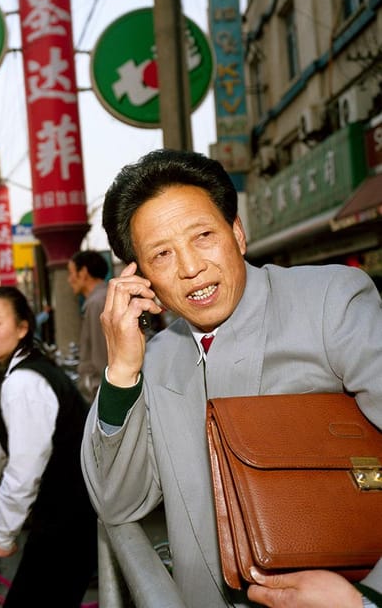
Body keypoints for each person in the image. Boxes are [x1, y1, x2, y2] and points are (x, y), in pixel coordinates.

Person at [80, 149, 382, 608]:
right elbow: (116, 502)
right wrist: (121, 369)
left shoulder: (328, 304)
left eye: (203, 235)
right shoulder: (155, 362)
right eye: (162, 254)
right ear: (139, 278)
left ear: (237, 233)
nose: (190, 267)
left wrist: (365, 599)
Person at [0, 287, 97, 608]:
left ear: (22, 327)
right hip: (72, 515)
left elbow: (23, 471)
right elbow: (9, 436)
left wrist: (3, 536)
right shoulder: (25, 368)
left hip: (66, 522)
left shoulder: (23, 382)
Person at [67, 249, 109, 402]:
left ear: (83, 272)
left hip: (101, 393)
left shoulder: (97, 303)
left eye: (71, 273)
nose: (69, 279)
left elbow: (102, 357)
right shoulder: (102, 298)